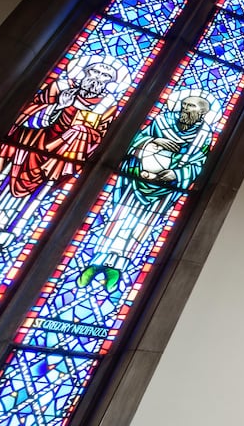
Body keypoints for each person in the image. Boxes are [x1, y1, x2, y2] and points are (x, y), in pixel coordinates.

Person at [0, 57, 125, 272]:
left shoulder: (108, 106)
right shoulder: (59, 89)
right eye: (95, 72)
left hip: (60, 160)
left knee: (31, 202)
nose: (98, 79)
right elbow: (28, 114)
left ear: (111, 82)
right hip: (28, 149)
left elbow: (98, 137)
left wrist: (82, 132)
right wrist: (58, 106)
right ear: (84, 72)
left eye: (105, 76)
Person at [76, 93, 212, 291]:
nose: (185, 108)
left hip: (163, 188)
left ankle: (118, 267)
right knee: (117, 220)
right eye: (184, 104)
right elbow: (136, 141)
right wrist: (154, 143)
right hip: (135, 178)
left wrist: (175, 174)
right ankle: (96, 262)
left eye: (191, 106)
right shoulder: (162, 121)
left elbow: (197, 163)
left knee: (142, 226)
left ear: (202, 113)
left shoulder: (203, 136)